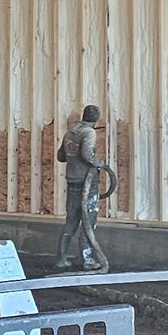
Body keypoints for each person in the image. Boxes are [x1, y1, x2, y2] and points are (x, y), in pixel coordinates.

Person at [56, 102, 112, 272]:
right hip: (86, 184)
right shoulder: (89, 132)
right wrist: (100, 163)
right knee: (89, 222)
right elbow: (87, 154)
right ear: (97, 118)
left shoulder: (70, 132)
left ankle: (61, 259)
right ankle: (88, 261)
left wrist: (73, 158)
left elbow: (61, 156)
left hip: (72, 182)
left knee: (71, 222)